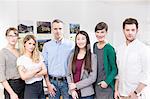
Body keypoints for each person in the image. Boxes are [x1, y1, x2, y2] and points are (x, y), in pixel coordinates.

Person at [114, 18, 150, 99]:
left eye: (133, 30)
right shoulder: (119, 49)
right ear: (123, 30)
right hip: (121, 95)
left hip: (136, 95)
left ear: (137, 30)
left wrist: (135, 92)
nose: (130, 33)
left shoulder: (143, 49)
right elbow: (118, 73)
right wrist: (116, 90)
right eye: (127, 30)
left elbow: (147, 75)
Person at [42, 19, 74, 99]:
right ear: (52, 30)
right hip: (52, 82)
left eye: (60, 28)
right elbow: (44, 66)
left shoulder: (71, 45)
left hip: (67, 82)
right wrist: (48, 84)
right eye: (55, 29)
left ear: (63, 30)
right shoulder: (47, 46)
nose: (58, 31)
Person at [67, 31, 97, 99]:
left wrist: (75, 85)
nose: (80, 41)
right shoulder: (72, 56)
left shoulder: (93, 57)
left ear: (87, 41)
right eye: (78, 39)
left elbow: (92, 78)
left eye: (83, 39)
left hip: (87, 94)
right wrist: (72, 89)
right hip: (72, 93)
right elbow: (68, 74)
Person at [17, 34, 47, 99]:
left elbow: (45, 71)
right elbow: (23, 76)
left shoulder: (38, 55)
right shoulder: (21, 59)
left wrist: (30, 73)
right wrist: (37, 70)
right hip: (30, 88)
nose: (32, 46)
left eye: (33, 44)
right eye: (29, 43)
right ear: (24, 44)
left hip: (40, 86)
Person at [93, 22, 118, 99]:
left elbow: (115, 69)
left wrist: (106, 82)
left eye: (102, 32)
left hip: (107, 86)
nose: (100, 34)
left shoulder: (109, 48)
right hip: (96, 85)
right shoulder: (95, 46)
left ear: (106, 32)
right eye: (97, 32)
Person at [0, 27, 25, 99]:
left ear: (17, 38)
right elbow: (1, 76)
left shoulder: (20, 51)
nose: (13, 38)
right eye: (10, 36)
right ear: (6, 37)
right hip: (11, 86)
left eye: (15, 35)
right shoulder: (3, 52)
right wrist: (12, 93)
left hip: (23, 84)